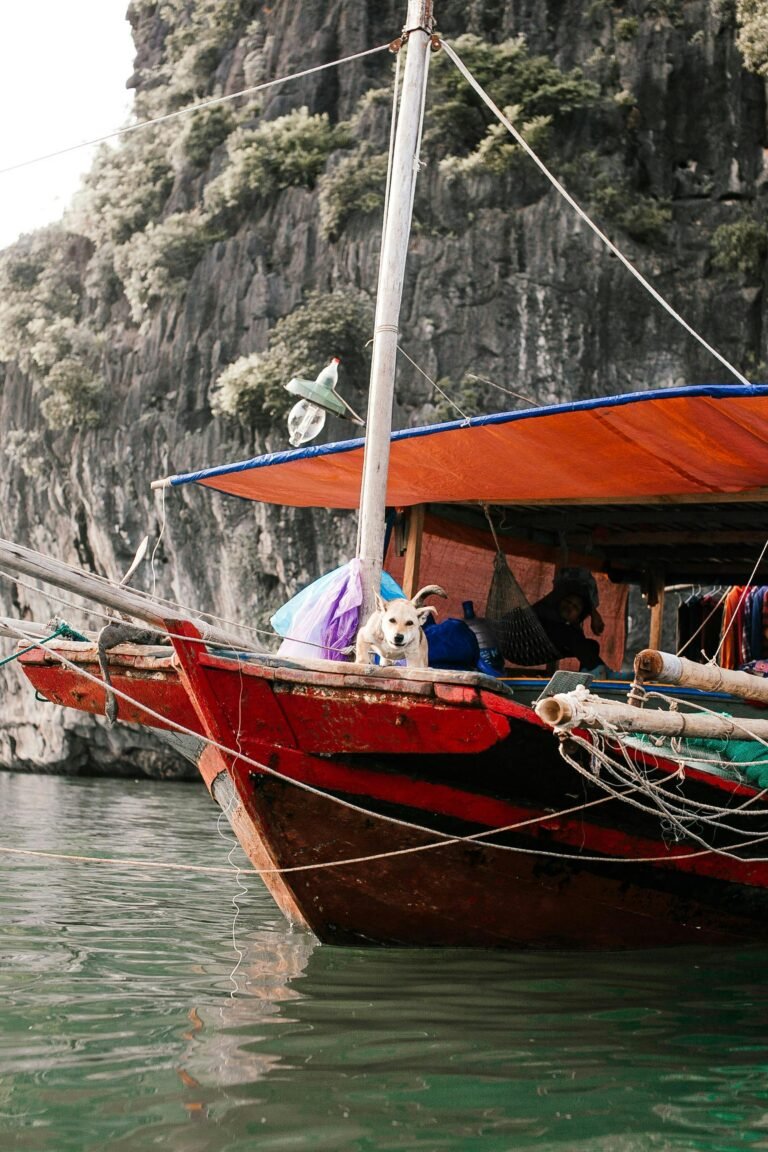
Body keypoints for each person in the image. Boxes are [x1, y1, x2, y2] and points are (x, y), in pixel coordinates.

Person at [532, 576, 604, 672]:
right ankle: (599, 670)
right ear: (559, 601)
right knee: (566, 632)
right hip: (529, 642)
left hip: (550, 647)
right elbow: (575, 584)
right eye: (568, 601)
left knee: (592, 645)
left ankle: (588, 673)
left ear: (577, 618)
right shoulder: (545, 611)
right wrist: (593, 612)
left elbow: (580, 642)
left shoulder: (571, 630)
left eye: (575, 607)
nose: (569, 606)